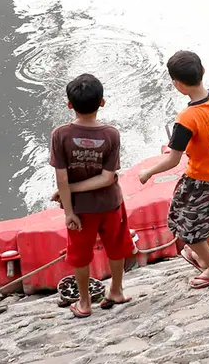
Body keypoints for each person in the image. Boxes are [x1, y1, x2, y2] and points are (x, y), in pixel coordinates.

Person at [138, 50, 209, 289]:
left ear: (177, 85)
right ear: (203, 71)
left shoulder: (186, 118)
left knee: (186, 225)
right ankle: (203, 256)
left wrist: (148, 172)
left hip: (201, 179)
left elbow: (172, 160)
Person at [50, 73, 134, 318]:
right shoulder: (111, 134)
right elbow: (107, 178)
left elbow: (62, 179)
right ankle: (116, 290)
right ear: (102, 102)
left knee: (80, 255)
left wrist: (68, 209)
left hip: (80, 210)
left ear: (69, 105)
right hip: (110, 203)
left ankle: (85, 302)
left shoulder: (61, 135)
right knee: (116, 247)